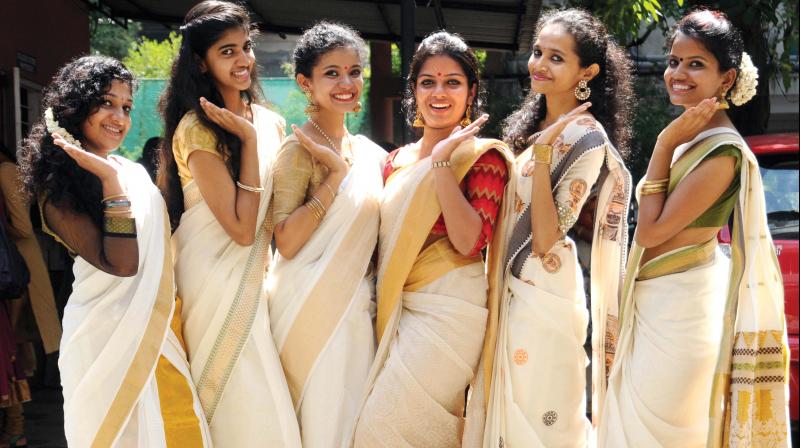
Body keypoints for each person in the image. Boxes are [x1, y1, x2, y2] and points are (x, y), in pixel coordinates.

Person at [600, 9, 790, 447]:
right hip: (658, 307)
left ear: (726, 79)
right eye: (673, 61)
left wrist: (664, 143)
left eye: (696, 64)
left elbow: (650, 232)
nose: (677, 73)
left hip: (680, 319)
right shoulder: (692, 136)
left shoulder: (722, 152)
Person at [16, 55, 211, 447]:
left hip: (158, 329)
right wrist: (109, 181)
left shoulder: (131, 171)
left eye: (125, 107)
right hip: (104, 338)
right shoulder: (58, 189)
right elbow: (122, 263)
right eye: (106, 102)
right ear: (75, 106)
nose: (119, 117)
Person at [352, 31, 515, 447]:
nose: (439, 93)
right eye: (428, 82)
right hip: (396, 307)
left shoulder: (483, 157)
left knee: (381, 429)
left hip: (450, 311)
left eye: (452, 82)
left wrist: (443, 163)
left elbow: (468, 242)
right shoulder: (394, 162)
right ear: (414, 90)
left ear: (471, 91)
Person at [483, 9, 634, 447]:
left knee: (538, 418)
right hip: (509, 284)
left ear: (586, 72)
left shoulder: (587, 138)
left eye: (555, 58)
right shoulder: (535, 125)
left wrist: (546, 155)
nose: (539, 65)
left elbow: (547, 237)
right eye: (537, 52)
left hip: (541, 291)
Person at [158, 1, 300, 446]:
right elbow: (240, 229)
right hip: (214, 279)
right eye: (227, 52)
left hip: (264, 275)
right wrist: (248, 142)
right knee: (238, 395)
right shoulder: (195, 130)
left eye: (246, 47)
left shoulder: (272, 122)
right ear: (201, 62)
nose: (243, 61)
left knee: (265, 397)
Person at [265, 22, 384, 448]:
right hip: (306, 307)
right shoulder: (297, 148)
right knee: (318, 423)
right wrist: (335, 176)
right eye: (331, 73)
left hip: (356, 310)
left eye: (354, 71)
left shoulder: (369, 152)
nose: (346, 83)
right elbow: (288, 241)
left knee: (349, 423)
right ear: (305, 82)